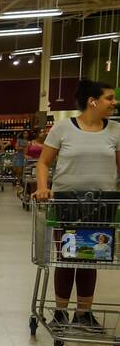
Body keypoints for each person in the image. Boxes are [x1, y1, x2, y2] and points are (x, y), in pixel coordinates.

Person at [32, 79, 120, 332]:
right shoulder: (63, 129)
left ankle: (84, 313)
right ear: (93, 101)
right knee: (67, 257)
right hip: (67, 201)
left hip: (103, 202)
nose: (114, 103)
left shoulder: (115, 130)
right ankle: (60, 312)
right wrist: (42, 187)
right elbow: (43, 163)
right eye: (109, 98)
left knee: (91, 256)